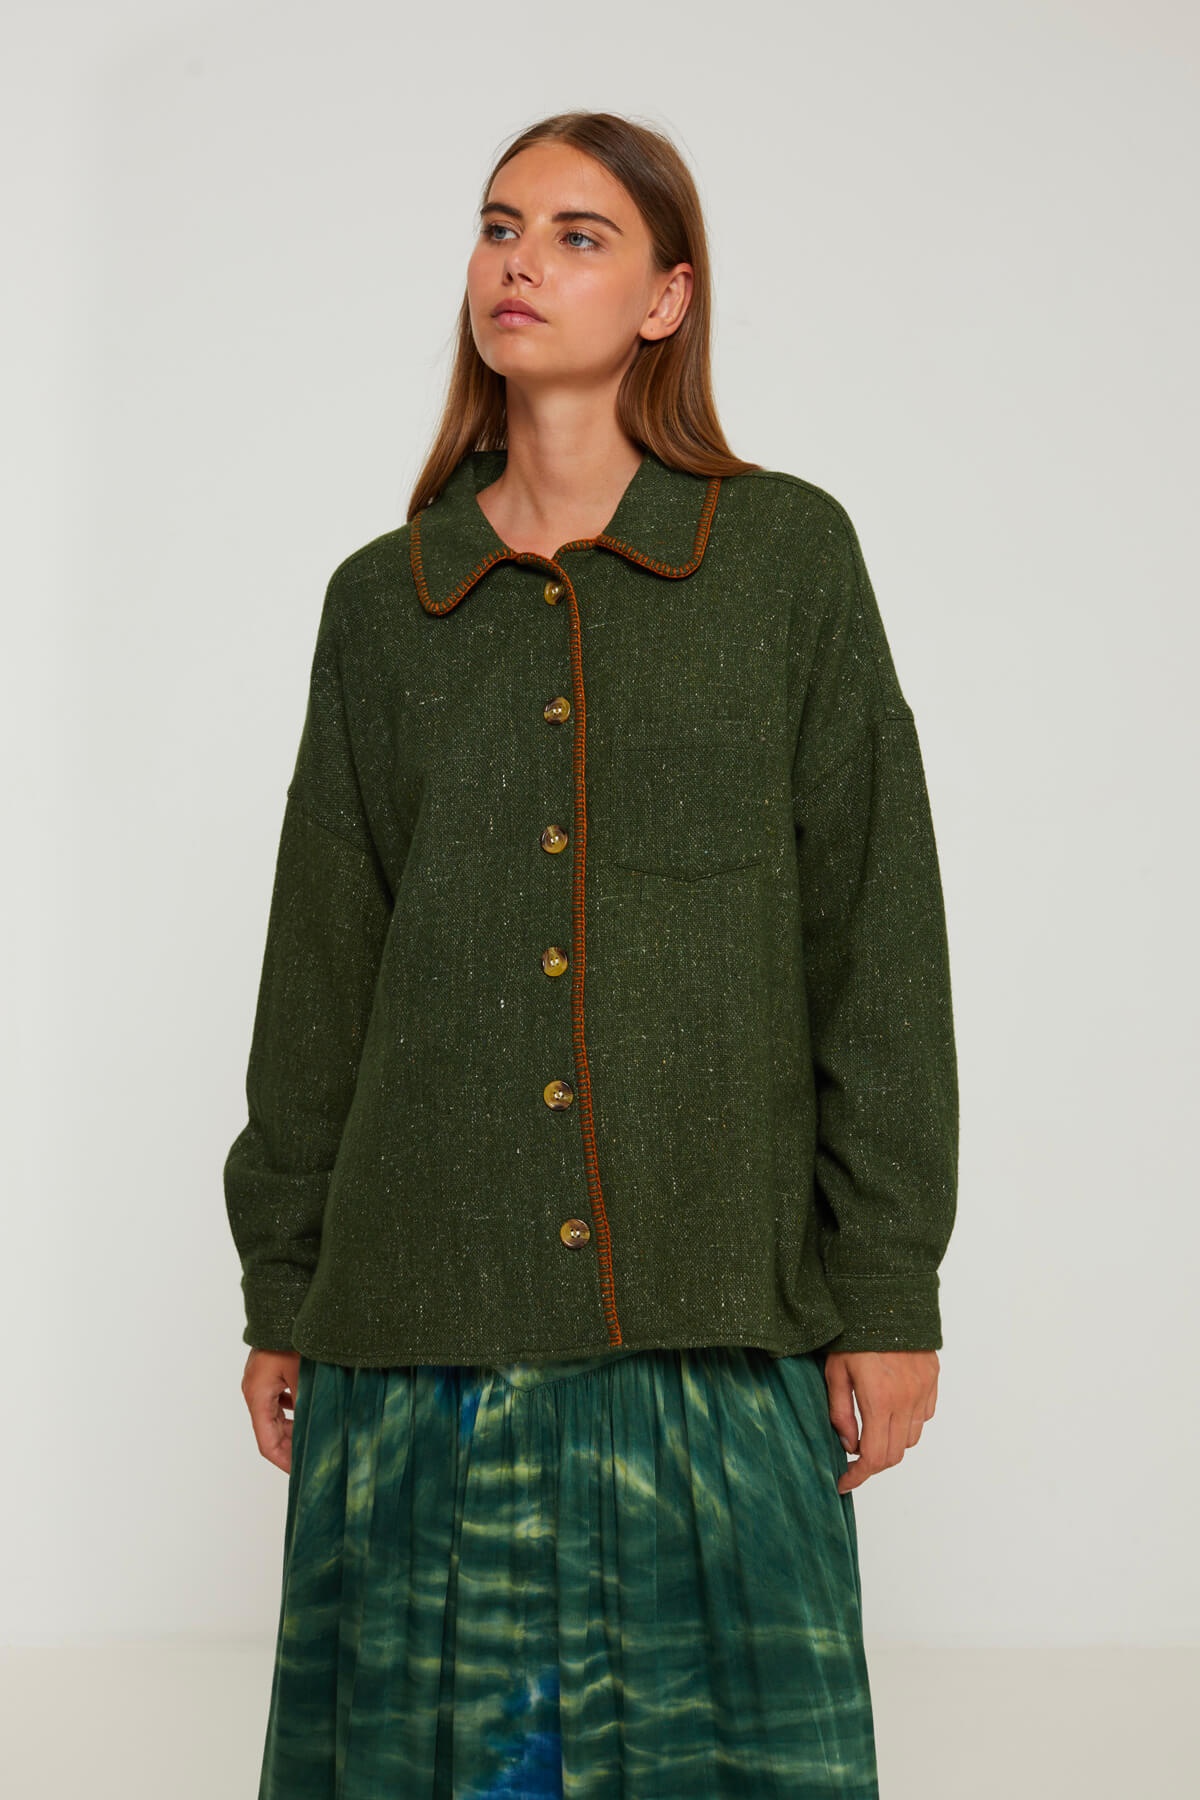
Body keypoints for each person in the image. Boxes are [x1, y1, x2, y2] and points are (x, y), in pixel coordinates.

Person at [224, 109, 958, 1800]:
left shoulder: (782, 562)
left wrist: (888, 1291)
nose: (519, 264)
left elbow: (877, 940)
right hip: (416, 1337)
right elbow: (320, 970)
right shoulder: (384, 604)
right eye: (500, 227)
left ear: (665, 299)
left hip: (713, 1327)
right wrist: (285, 1286)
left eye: (576, 235)